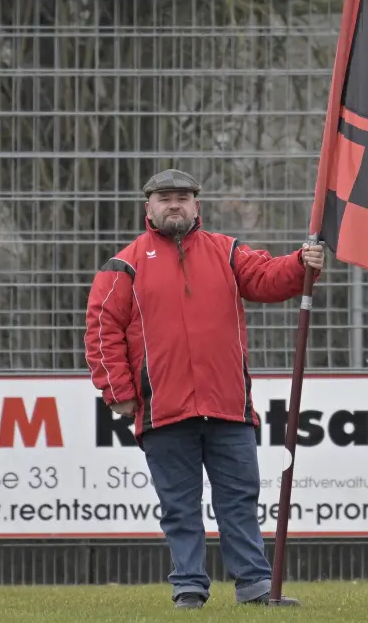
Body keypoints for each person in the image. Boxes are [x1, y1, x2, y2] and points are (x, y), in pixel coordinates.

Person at [84, 169, 325, 609]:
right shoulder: (123, 266)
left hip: (229, 407)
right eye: (165, 197)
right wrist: (117, 391)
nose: (174, 204)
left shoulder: (227, 252)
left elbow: (268, 278)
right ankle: (189, 588)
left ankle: (254, 585)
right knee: (180, 508)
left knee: (239, 500)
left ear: (197, 205)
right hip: (163, 412)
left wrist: (299, 263)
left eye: (182, 197)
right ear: (148, 208)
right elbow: (101, 331)